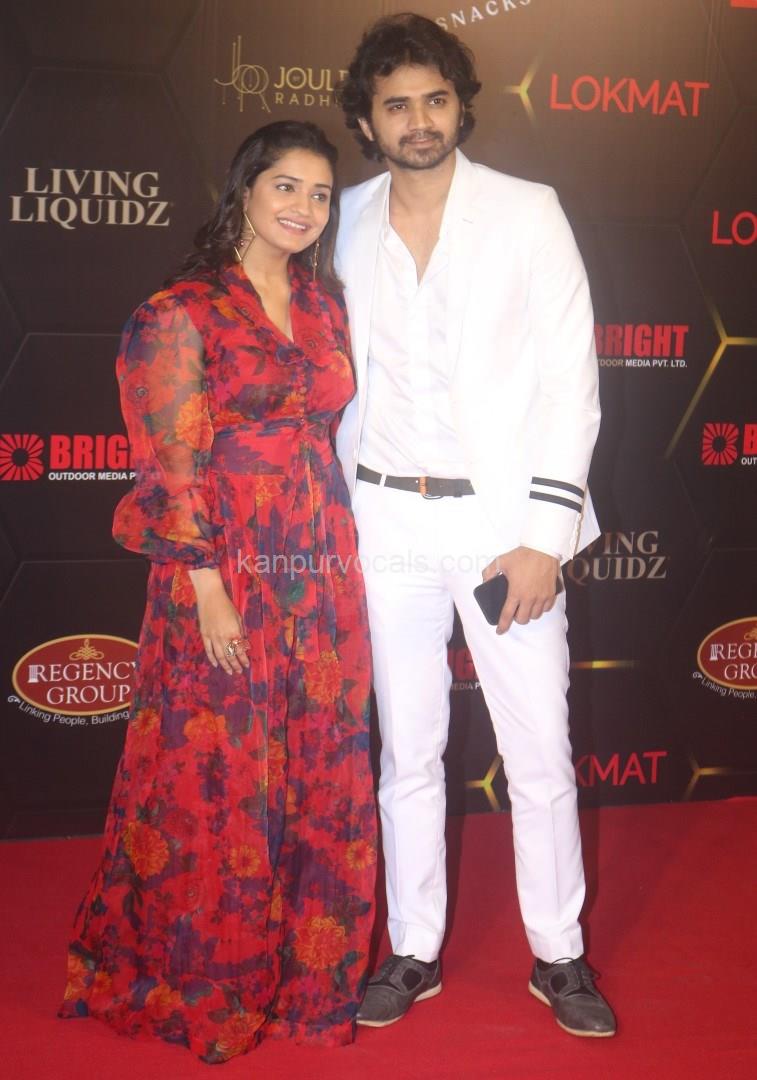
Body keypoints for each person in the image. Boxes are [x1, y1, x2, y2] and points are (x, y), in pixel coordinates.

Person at [59, 120, 377, 1063]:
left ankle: (307, 983)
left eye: (319, 194)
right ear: (244, 188)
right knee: (220, 765)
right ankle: (204, 978)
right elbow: (169, 463)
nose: (303, 207)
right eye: (285, 185)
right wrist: (206, 586)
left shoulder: (323, 305)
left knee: (319, 759)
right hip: (224, 562)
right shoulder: (180, 311)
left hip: (319, 562)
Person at [335, 14, 616, 1037]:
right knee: (406, 749)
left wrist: (546, 536)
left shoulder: (527, 211)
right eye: (396, 105)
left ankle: (559, 953)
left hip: (505, 529)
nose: (418, 120)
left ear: (460, 106)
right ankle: (412, 947)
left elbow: (570, 383)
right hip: (383, 521)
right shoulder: (340, 218)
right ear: (367, 121)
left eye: (435, 100)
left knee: (537, 746)